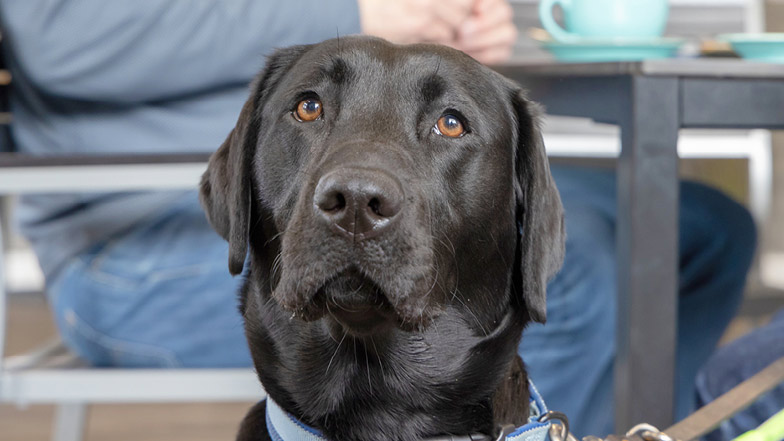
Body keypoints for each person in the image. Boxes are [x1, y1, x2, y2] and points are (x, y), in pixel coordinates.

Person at [0, 0, 756, 438]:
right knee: (588, 269)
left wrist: (444, 31)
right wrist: (355, 9)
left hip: (379, 141)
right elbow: (57, 34)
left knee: (706, 230)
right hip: (130, 225)